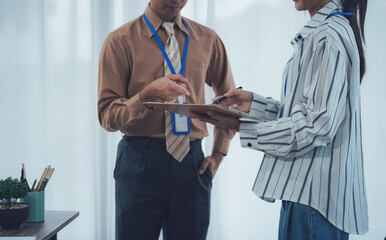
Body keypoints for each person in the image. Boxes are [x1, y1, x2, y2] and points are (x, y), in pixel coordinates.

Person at [195, 0, 368, 239]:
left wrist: (245, 128)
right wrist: (254, 106)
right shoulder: (326, 31)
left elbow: (317, 126)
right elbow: (308, 113)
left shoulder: (327, 36)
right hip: (308, 198)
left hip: (311, 200)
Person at [97, 0, 235, 239]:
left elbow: (229, 101)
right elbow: (107, 116)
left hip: (192, 164)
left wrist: (219, 153)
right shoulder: (119, 41)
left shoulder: (208, 39)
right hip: (139, 161)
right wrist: (146, 96)